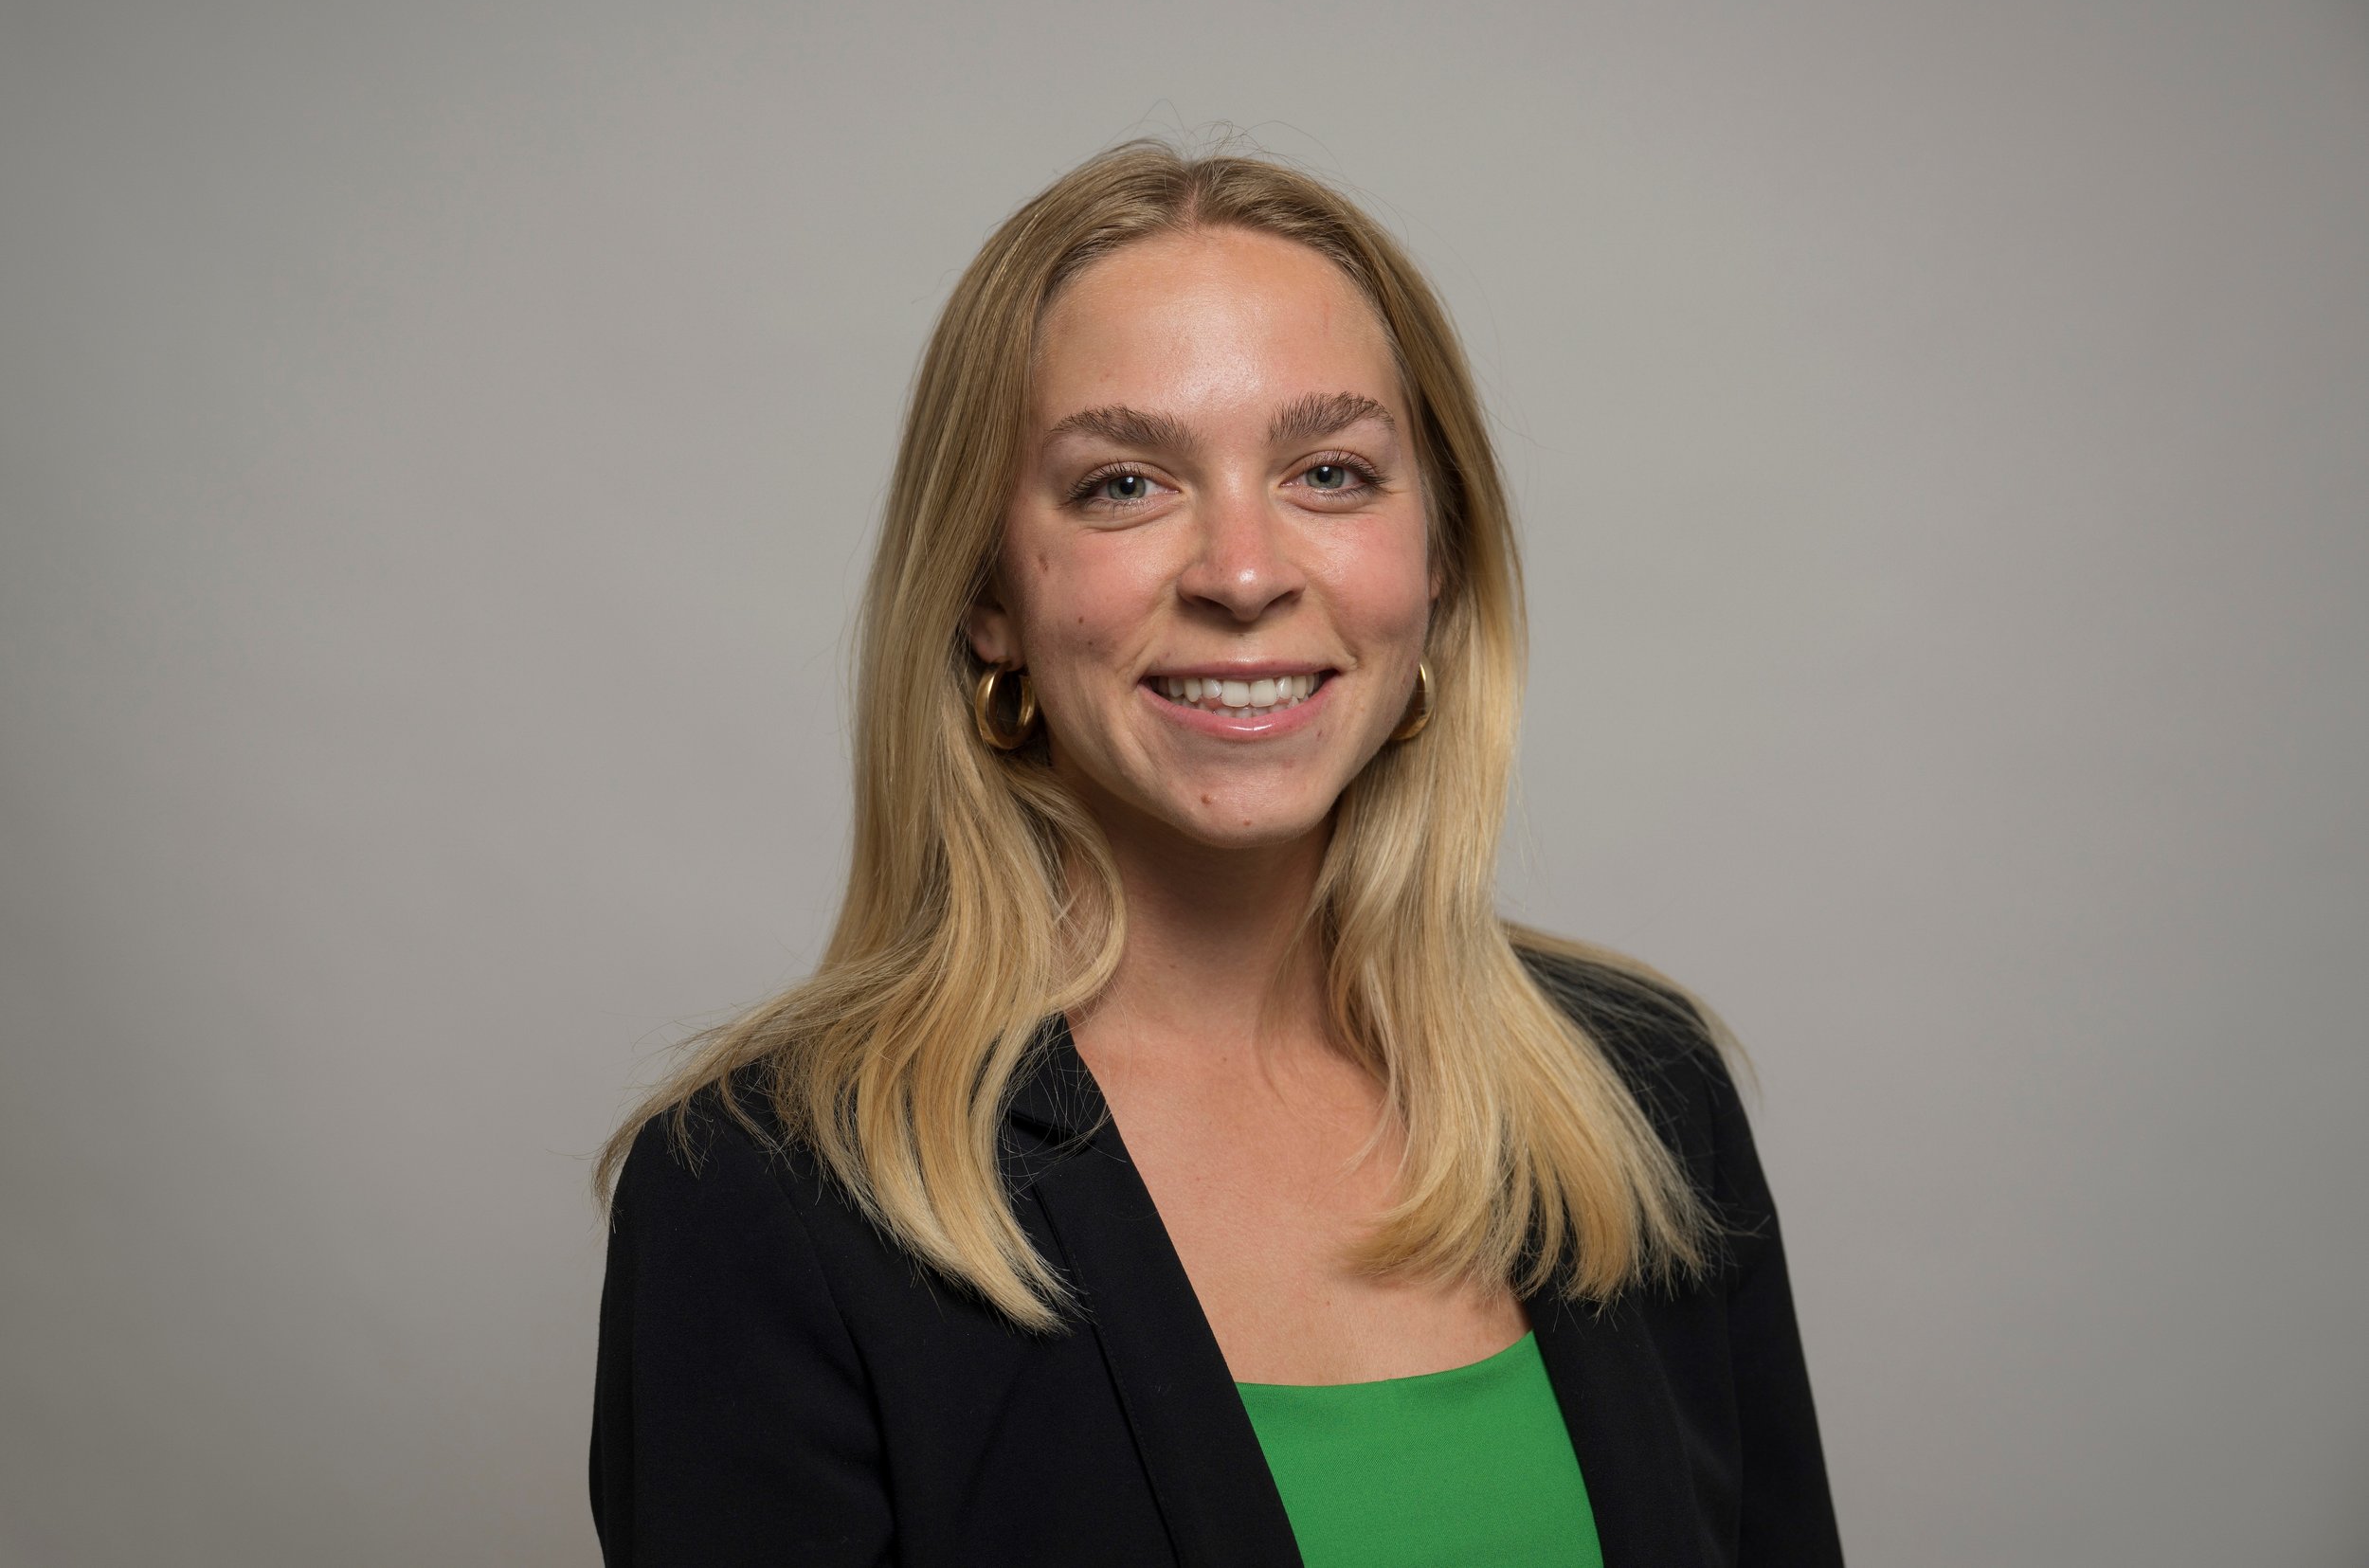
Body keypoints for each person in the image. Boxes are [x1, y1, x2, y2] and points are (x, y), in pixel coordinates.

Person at [588, 137, 1844, 1568]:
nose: (1243, 575)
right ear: (987, 591)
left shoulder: (1645, 1097)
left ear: (1439, 564)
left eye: (1330, 470)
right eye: (1124, 483)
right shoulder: (769, 1200)